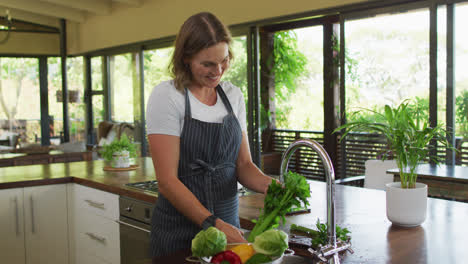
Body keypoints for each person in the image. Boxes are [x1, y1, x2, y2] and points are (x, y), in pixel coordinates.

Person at [146, 12, 276, 257]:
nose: (218, 71)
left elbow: (244, 165)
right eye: (207, 64)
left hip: (228, 228)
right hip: (179, 233)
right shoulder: (167, 96)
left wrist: (275, 187)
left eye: (224, 60)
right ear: (185, 58)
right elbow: (167, 181)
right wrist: (212, 223)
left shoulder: (233, 95)